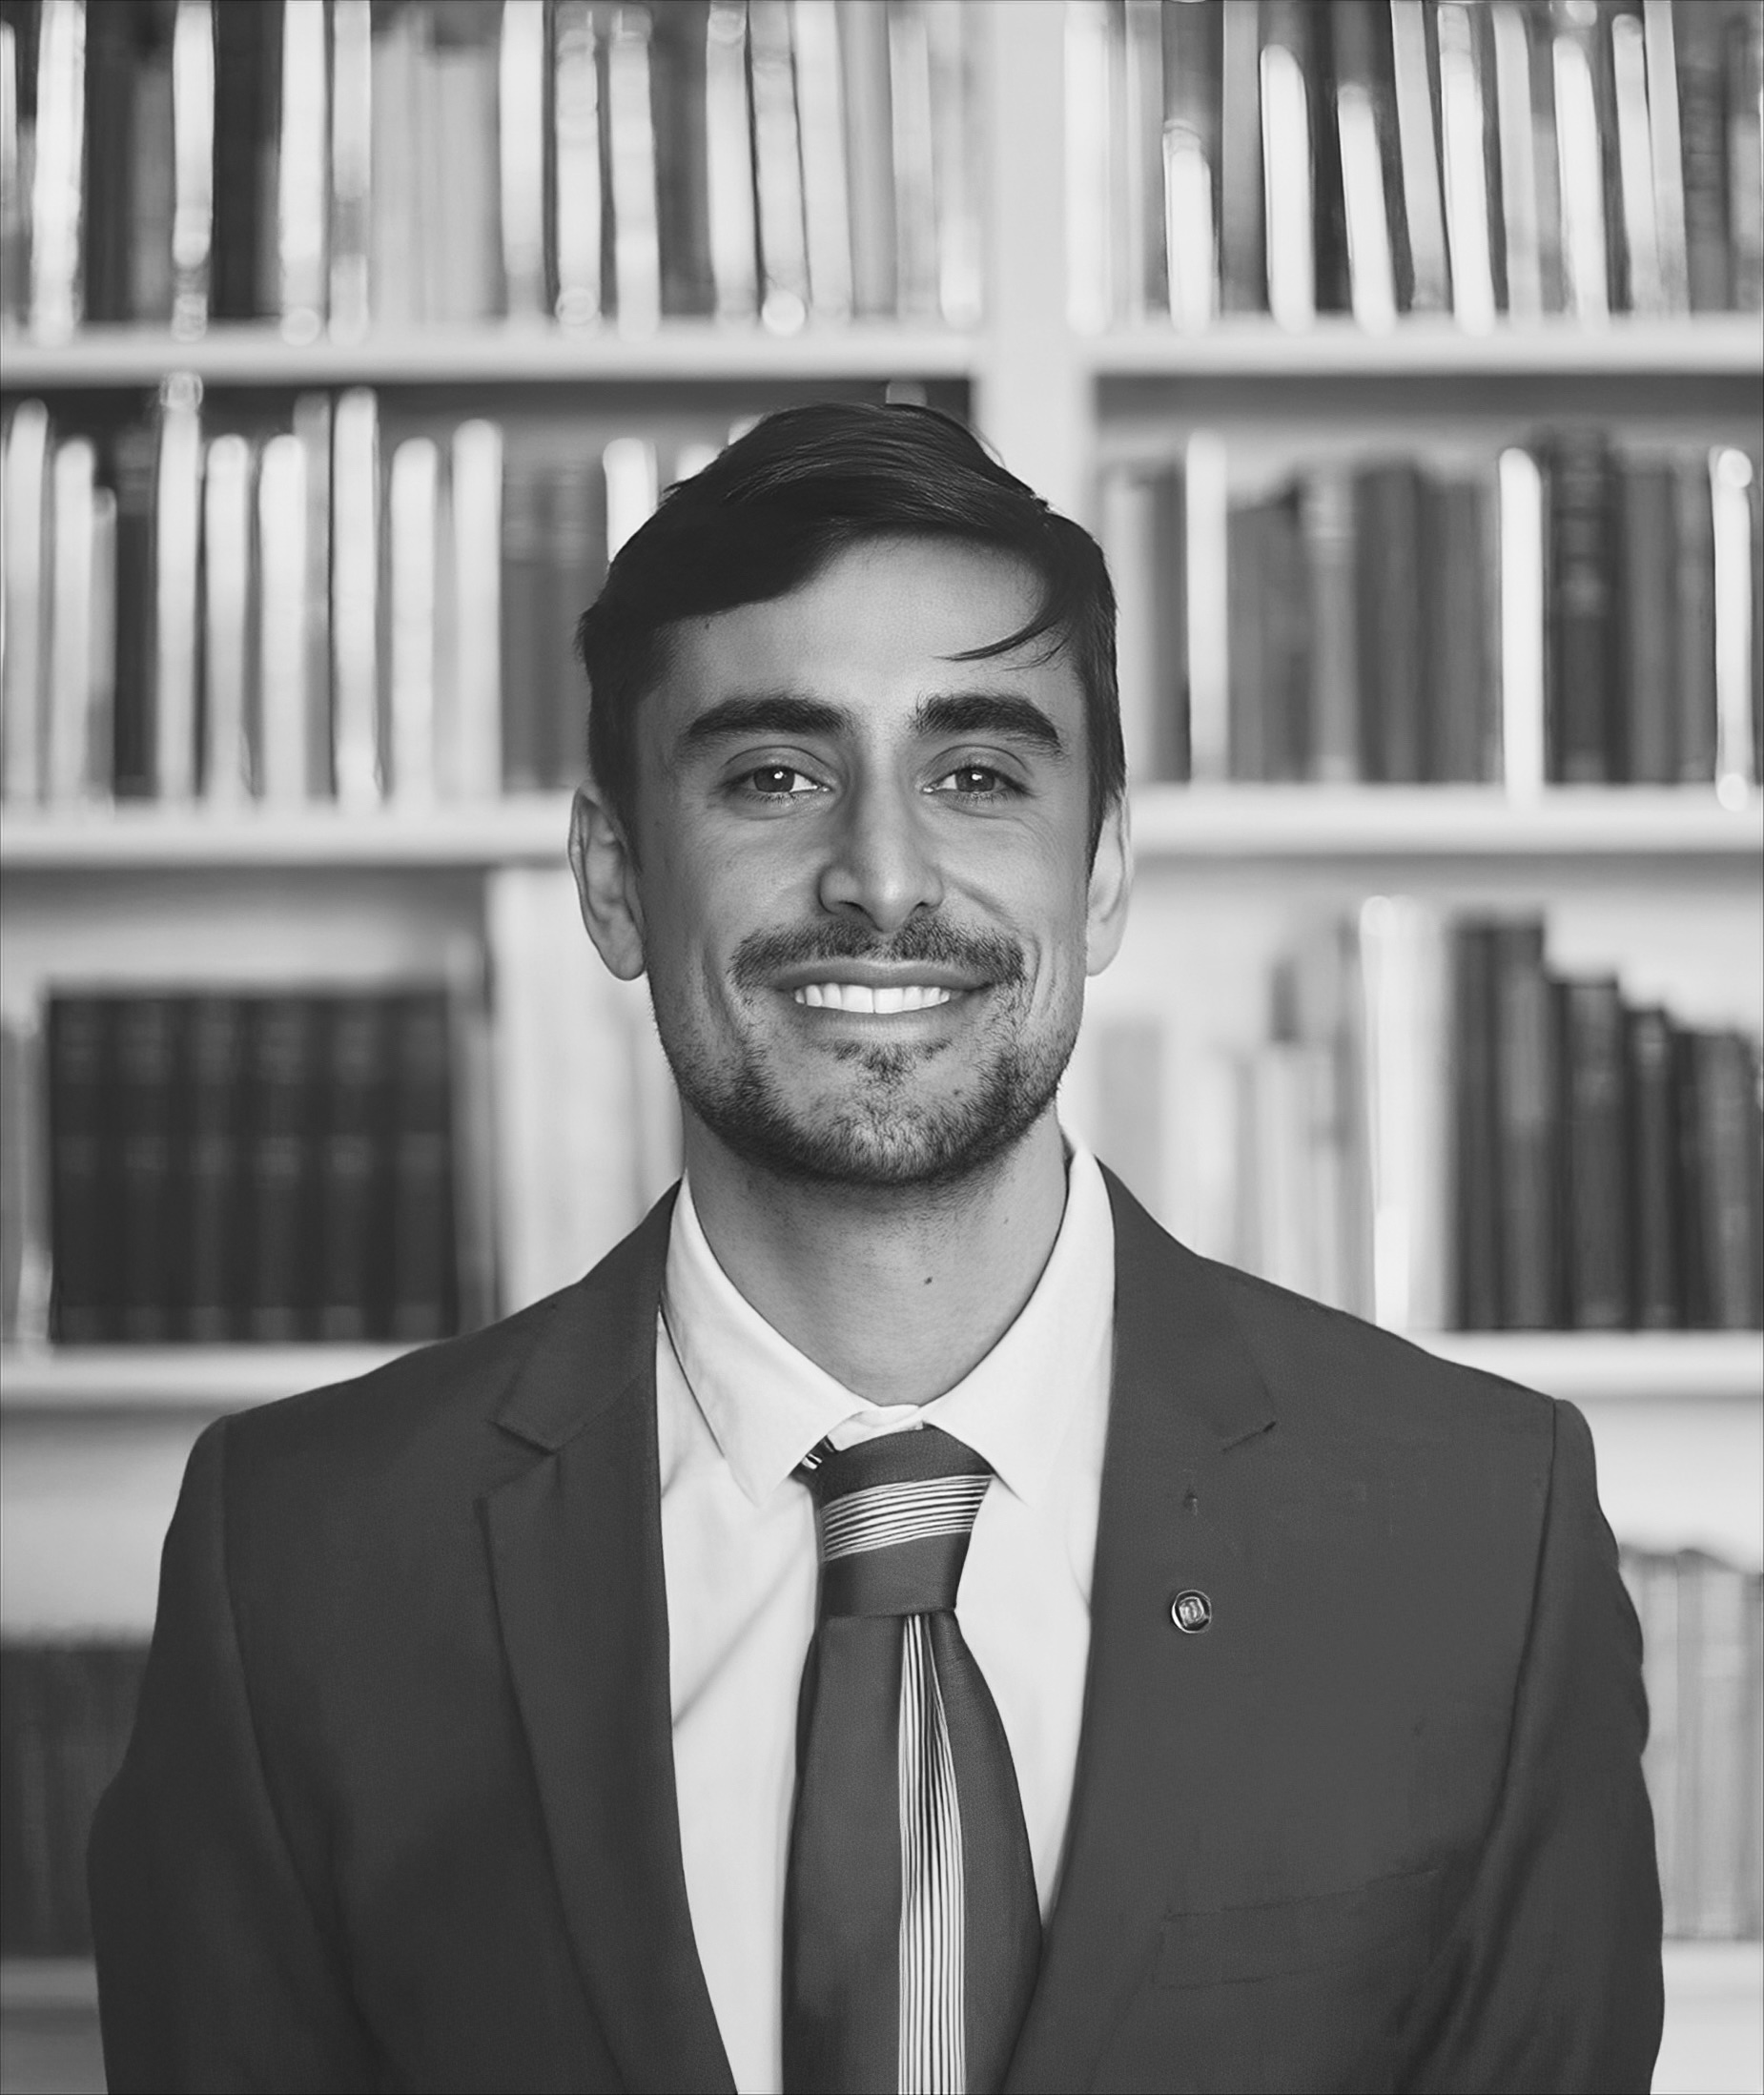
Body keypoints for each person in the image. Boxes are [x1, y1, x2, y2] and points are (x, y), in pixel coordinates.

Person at [89, 403, 1662, 2095]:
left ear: (1104, 870)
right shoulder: (301, 1567)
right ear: (615, 878)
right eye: (773, 774)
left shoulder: (1479, 1535)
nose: (882, 875)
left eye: (977, 773)